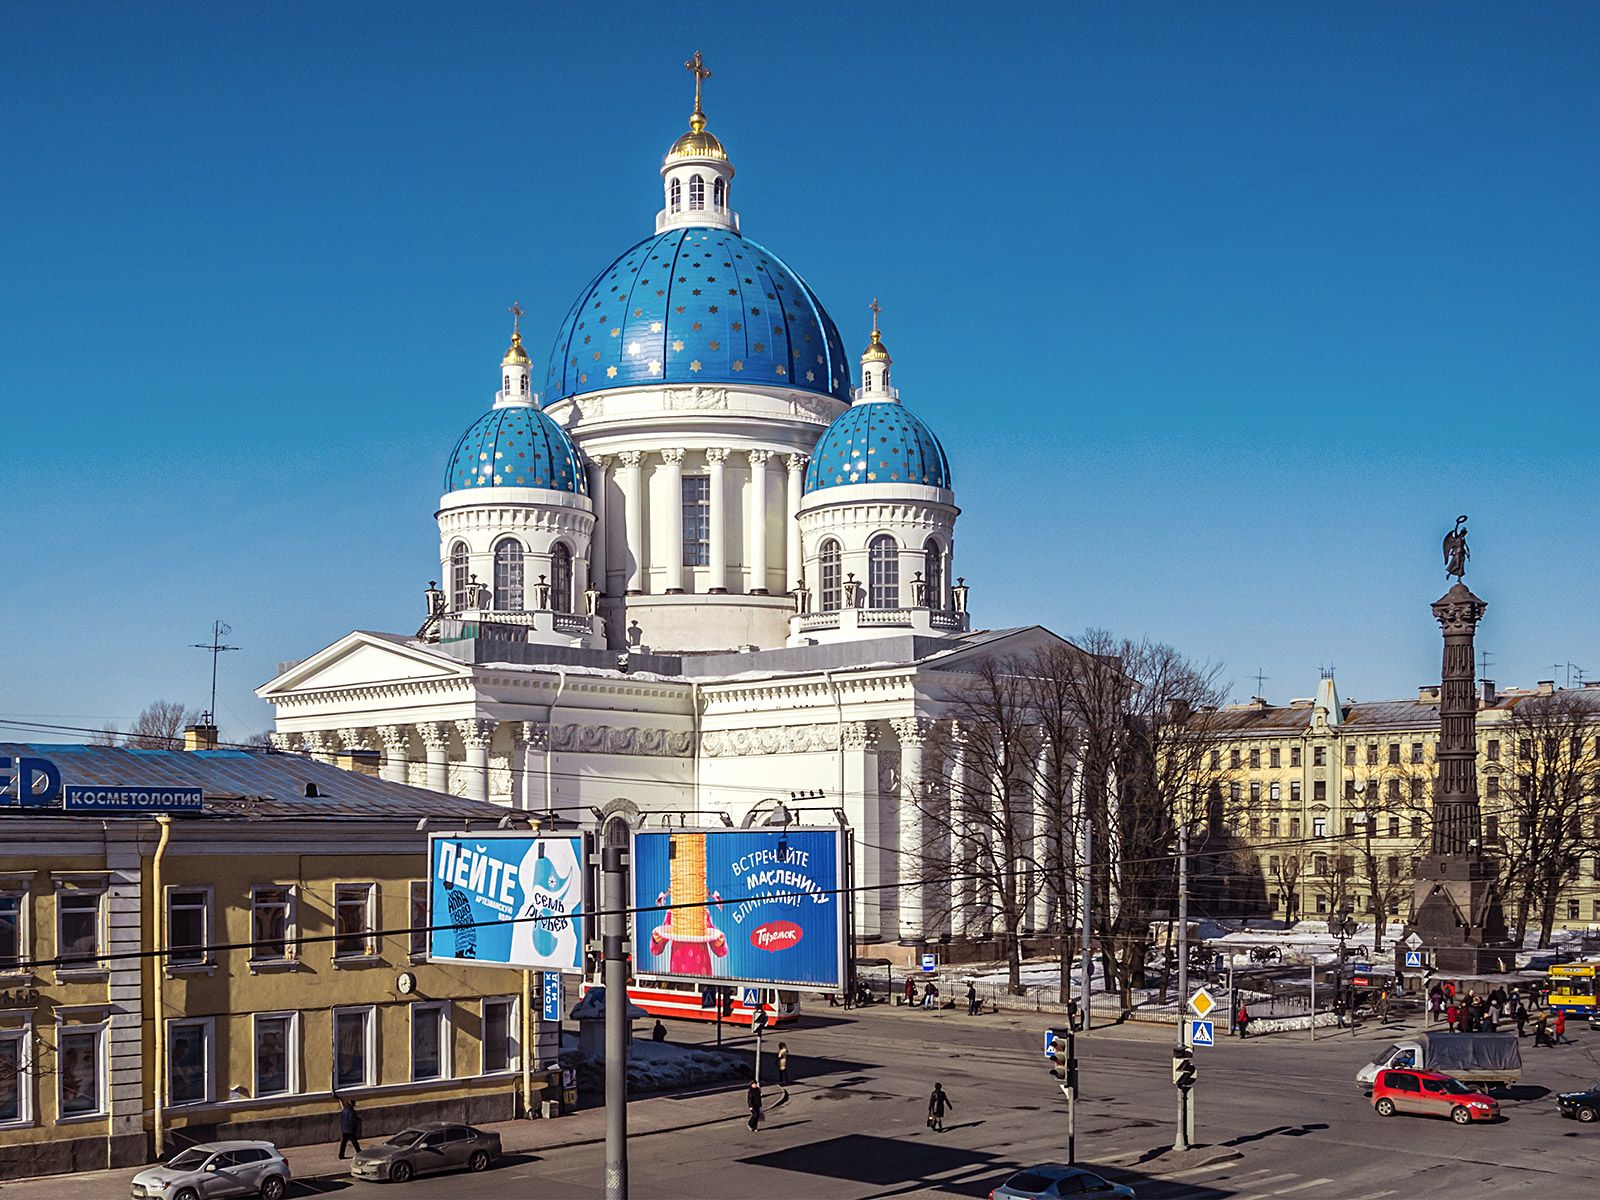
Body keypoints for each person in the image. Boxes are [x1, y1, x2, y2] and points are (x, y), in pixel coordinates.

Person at [337, 1094, 362, 1159]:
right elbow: (353, 1121)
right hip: (350, 1130)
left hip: (344, 1129)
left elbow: (341, 1119)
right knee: (355, 1142)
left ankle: (341, 1155)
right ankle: (359, 1152)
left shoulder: (344, 1111)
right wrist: (356, 1128)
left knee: (343, 1143)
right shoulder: (352, 1112)